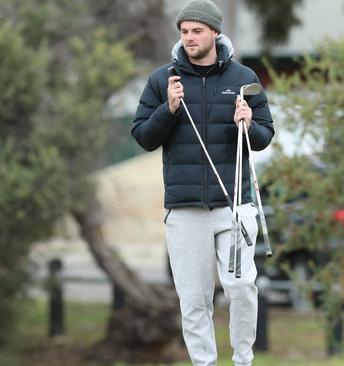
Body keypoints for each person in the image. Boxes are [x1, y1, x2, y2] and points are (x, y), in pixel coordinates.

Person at [131, 1, 274, 365]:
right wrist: (169, 109)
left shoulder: (243, 79)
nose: (189, 38)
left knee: (242, 289)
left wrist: (249, 123)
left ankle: (243, 360)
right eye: (184, 32)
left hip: (234, 206)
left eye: (196, 31)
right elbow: (144, 136)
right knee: (194, 300)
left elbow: (263, 136)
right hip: (184, 210)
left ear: (214, 33)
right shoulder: (163, 80)